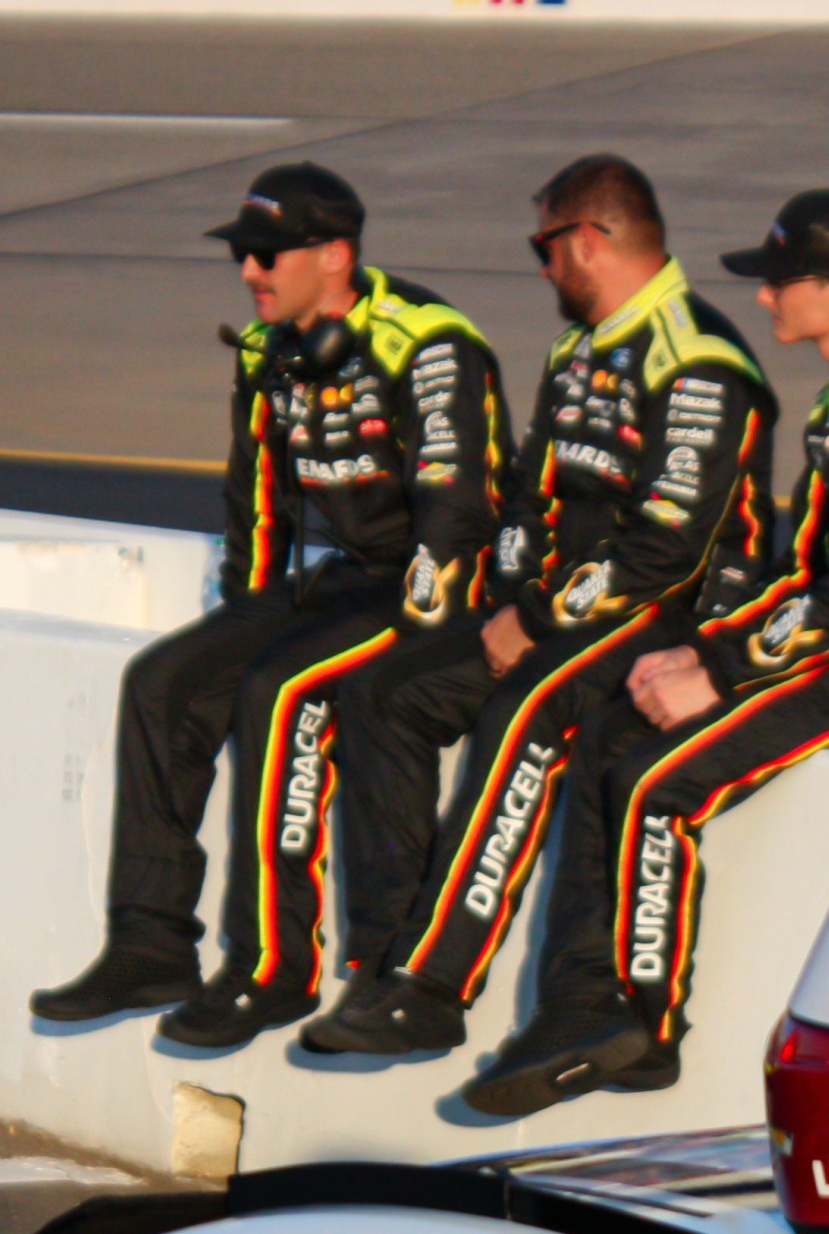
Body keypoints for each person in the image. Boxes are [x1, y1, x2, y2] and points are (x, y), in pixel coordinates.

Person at [454, 188, 829, 1117]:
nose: (762, 300)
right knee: (609, 730)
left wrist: (713, 671)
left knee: (657, 783)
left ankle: (643, 1020)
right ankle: (580, 1003)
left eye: (780, 283)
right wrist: (696, 651)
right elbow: (804, 574)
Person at [299, 156, 776, 1061]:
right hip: (568, 605)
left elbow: (664, 549)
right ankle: (384, 956)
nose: (541, 267)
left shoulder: (703, 359)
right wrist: (506, 600)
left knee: (522, 715)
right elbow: (530, 496)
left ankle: (434, 986)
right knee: (382, 694)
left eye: (543, 247)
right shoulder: (579, 348)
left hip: (669, 615)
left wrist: (539, 619)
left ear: (587, 241)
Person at [29, 163, 508, 1046]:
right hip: (340, 579)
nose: (249, 272)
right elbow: (254, 502)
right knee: (164, 682)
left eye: (265, 255)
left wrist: (421, 621)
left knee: (279, 692)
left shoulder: (428, 341)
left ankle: (271, 970)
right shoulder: (264, 349)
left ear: (334, 255)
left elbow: (458, 504)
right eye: (242, 256)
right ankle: (149, 944)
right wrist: (242, 621)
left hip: (442, 587)